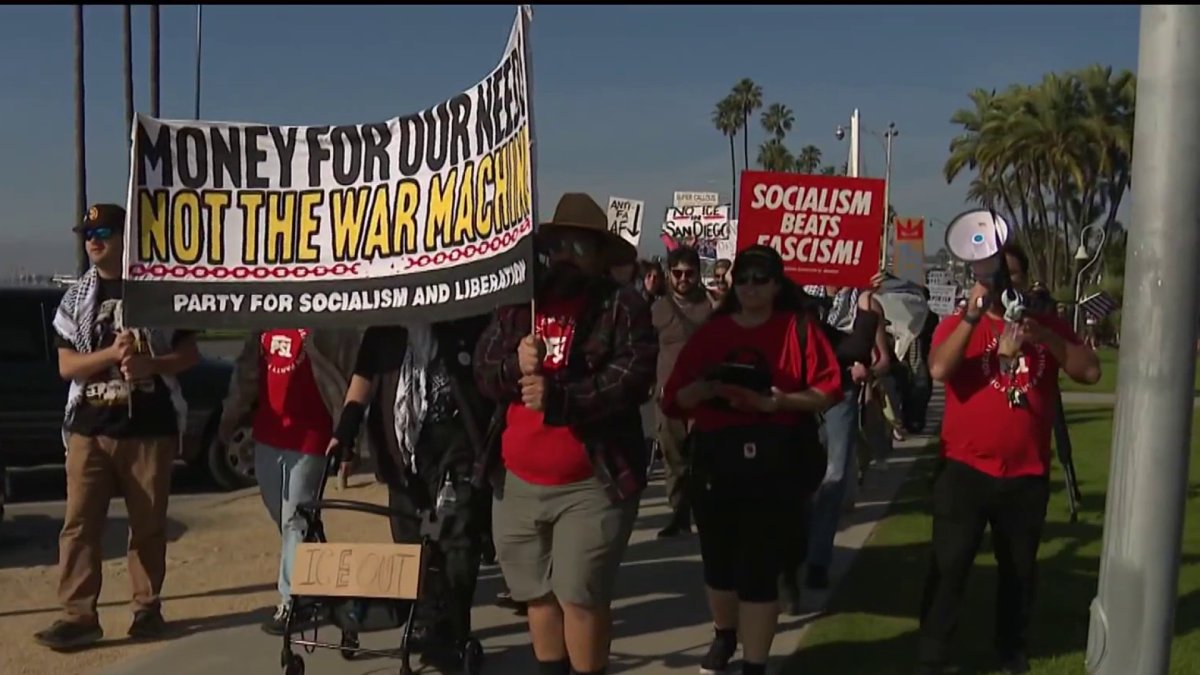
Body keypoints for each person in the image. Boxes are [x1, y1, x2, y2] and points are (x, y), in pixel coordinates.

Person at [473, 192, 657, 675]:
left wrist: (561, 399)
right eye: (558, 246)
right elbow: (484, 370)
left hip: (592, 480)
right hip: (517, 481)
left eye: (580, 247)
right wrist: (514, 364)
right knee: (535, 594)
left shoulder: (623, 306)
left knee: (580, 595)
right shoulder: (520, 303)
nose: (566, 257)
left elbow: (630, 379)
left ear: (600, 255)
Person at [917, 244, 1100, 675]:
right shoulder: (960, 323)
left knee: (1019, 570)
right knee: (950, 565)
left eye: (1011, 276)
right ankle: (932, 652)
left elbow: (1090, 371)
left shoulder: (1046, 325)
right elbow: (939, 370)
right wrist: (972, 317)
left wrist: (1045, 337)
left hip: (1026, 473)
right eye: (994, 276)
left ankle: (1011, 648)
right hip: (964, 469)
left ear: (1024, 281)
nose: (1003, 285)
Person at [661, 245, 841, 675]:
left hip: (776, 458)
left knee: (760, 569)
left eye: (761, 279)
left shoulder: (798, 328)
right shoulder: (712, 332)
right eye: (742, 279)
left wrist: (777, 402)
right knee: (719, 564)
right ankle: (724, 634)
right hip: (716, 457)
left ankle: (755, 664)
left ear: (777, 284)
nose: (750, 287)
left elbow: (828, 390)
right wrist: (705, 390)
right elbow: (673, 398)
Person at [35, 204, 200, 651]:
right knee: (79, 525)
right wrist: (109, 355)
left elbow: (189, 354)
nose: (93, 240)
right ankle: (78, 615)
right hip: (90, 429)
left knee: (147, 525)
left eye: (103, 232)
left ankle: (147, 609)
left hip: (149, 428)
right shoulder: (76, 298)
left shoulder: (159, 291)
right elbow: (67, 365)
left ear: (127, 236)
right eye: (87, 233)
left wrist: (151, 364)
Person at [328, 315, 494, 670]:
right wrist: (344, 432)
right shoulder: (384, 329)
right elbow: (363, 379)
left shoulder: (465, 318)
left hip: (456, 443)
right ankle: (426, 620)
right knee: (410, 542)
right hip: (401, 451)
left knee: (457, 539)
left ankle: (453, 629)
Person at [216, 327, 362, 635]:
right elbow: (246, 373)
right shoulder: (264, 322)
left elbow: (350, 374)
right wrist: (231, 415)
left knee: (296, 518)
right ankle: (315, 576)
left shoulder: (329, 326)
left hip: (313, 435)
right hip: (269, 434)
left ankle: (292, 601)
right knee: (283, 516)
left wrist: (349, 438)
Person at [802, 281, 890, 594]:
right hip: (802, 391)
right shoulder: (801, 292)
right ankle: (795, 549)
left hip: (842, 394)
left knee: (835, 474)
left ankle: (817, 560)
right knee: (801, 475)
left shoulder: (864, 302)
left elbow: (882, 358)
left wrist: (869, 371)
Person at [650, 245, 713, 538]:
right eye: (678, 273)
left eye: (689, 273)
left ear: (698, 274)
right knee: (673, 456)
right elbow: (646, 349)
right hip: (668, 395)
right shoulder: (657, 309)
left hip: (703, 393)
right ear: (669, 274)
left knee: (702, 457)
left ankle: (702, 512)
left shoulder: (711, 304)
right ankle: (679, 514)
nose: (683, 278)